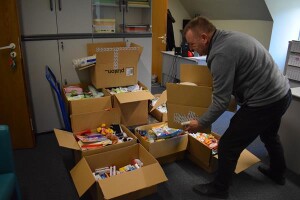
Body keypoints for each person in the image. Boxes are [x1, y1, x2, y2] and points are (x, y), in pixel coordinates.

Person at [183, 16, 292, 199]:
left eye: (192, 44)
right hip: (282, 94)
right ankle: (278, 173)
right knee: (269, 135)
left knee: (228, 144)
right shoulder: (226, 37)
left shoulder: (220, 54)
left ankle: (220, 189)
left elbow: (221, 101)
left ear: (204, 37)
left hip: (266, 101)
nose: (191, 49)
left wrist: (201, 123)